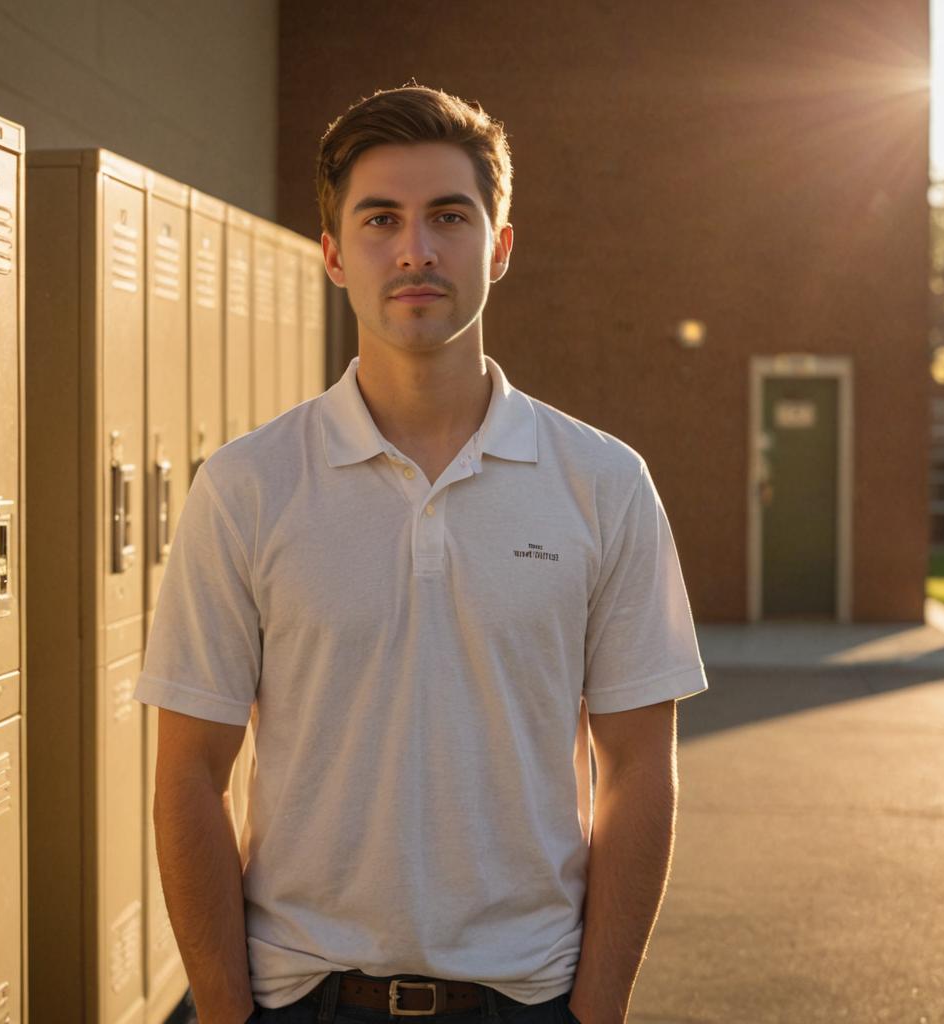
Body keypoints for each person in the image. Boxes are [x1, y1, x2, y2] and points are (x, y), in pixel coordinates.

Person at [135, 85, 707, 1024]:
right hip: (302, 997)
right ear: (332, 254)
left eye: (450, 216)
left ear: (501, 244)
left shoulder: (602, 483)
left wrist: (597, 1010)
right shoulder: (247, 486)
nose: (415, 249)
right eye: (379, 220)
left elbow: (640, 769)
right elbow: (191, 772)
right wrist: (228, 1013)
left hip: (527, 998)